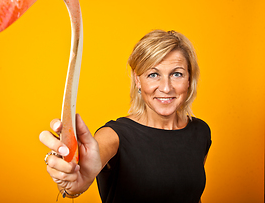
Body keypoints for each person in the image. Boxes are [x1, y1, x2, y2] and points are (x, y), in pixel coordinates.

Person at [39, 29, 211, 203]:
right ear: (137, 80)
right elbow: (92, 159)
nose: (166, 88)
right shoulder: (114, 135)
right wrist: (73, 176)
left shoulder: (201, 132)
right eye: (153, 74)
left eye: (177, 74)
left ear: (189, 79)